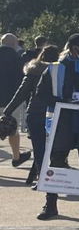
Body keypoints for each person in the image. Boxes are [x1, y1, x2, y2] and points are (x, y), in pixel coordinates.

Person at [32, 34, 79, 220]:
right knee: (56, 164)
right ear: (74, 48)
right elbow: (41, 95)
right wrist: (62, 102)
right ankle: (51, 205)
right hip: (61, 121)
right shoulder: (54, 69)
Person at [3, 44, 57, 185]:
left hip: (36, 111)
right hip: (56, 111)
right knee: (56, 145)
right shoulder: (62, 71)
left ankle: (41, 175)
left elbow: (23, 92)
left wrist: (8, 110)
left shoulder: (34, 70)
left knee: (39, 146)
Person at [0, 32, 27, 165]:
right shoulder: (18, 58)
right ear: (14, 44)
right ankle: (16, 157)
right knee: (12, 130)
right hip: (12, 100)